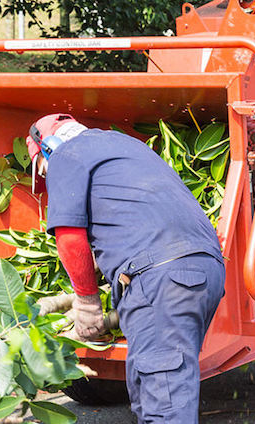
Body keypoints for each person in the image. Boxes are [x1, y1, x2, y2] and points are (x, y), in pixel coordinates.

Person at [27, 113, 225, 423]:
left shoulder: (67, 153)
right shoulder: (126, 146)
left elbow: (69, 237)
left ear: (48, 148)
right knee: (149, 388)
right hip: (203, 270)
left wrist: (88, 303)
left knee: (164, 406)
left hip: (160, 277)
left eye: (43, 170)